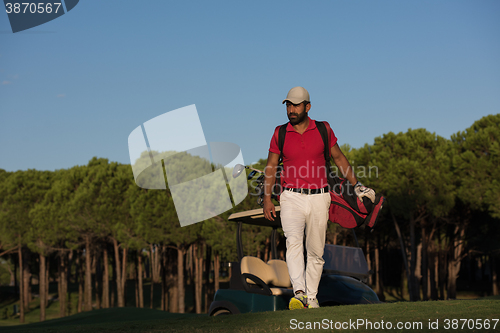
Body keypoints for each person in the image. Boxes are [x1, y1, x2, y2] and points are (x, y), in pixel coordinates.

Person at [262, 86, 375, 309]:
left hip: (320, 197)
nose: (291, 110)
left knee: (316, 251)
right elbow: (271, 166)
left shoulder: (323, 129)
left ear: (308, 106)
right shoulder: (280, 132)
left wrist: (357, 185)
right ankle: (300, 292)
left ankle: (312, 298)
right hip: (290, 197)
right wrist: (267, 198)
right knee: (293, 243)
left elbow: (340, 158)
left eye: (296, 105)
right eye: (288, 105)